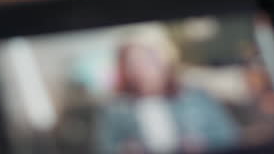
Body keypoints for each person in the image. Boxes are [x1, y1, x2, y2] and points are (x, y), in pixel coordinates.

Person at [95, 29, 239, 154]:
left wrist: (205, 143)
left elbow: (229, 135)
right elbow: (104, 147)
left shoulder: (197, 97)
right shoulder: (115, 110)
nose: (143, 68)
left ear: (164, 59)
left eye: (149, 58)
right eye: (134, 62)